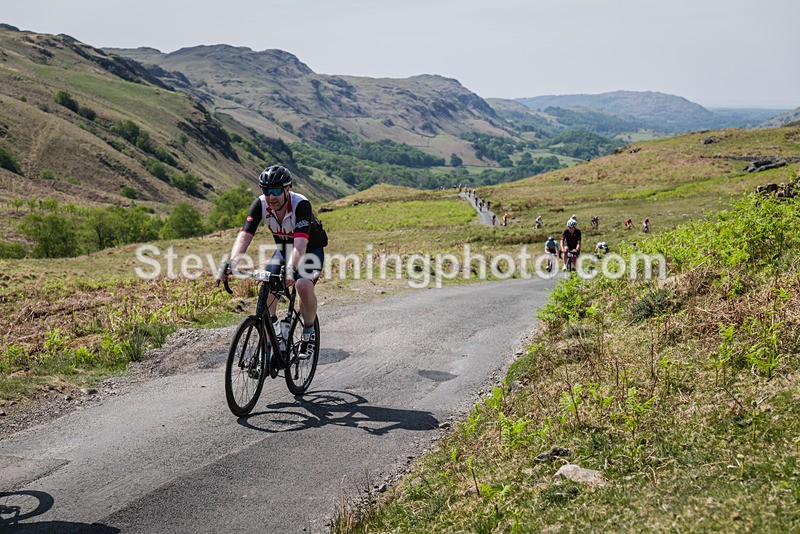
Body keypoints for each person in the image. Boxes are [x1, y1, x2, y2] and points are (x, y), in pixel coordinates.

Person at [221, 165, 327, 360]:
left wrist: (291, 269)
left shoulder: (301, 205)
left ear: (288, 189)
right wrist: (232, 262)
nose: (271, 197)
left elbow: (301, 244)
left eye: (276, 191)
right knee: (268, 284)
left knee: (303, 285)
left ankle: (308, 333)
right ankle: (274, 337)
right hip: (284, 250)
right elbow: (244, 236)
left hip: (309, 250)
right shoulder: (260, 204)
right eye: (266, 191)